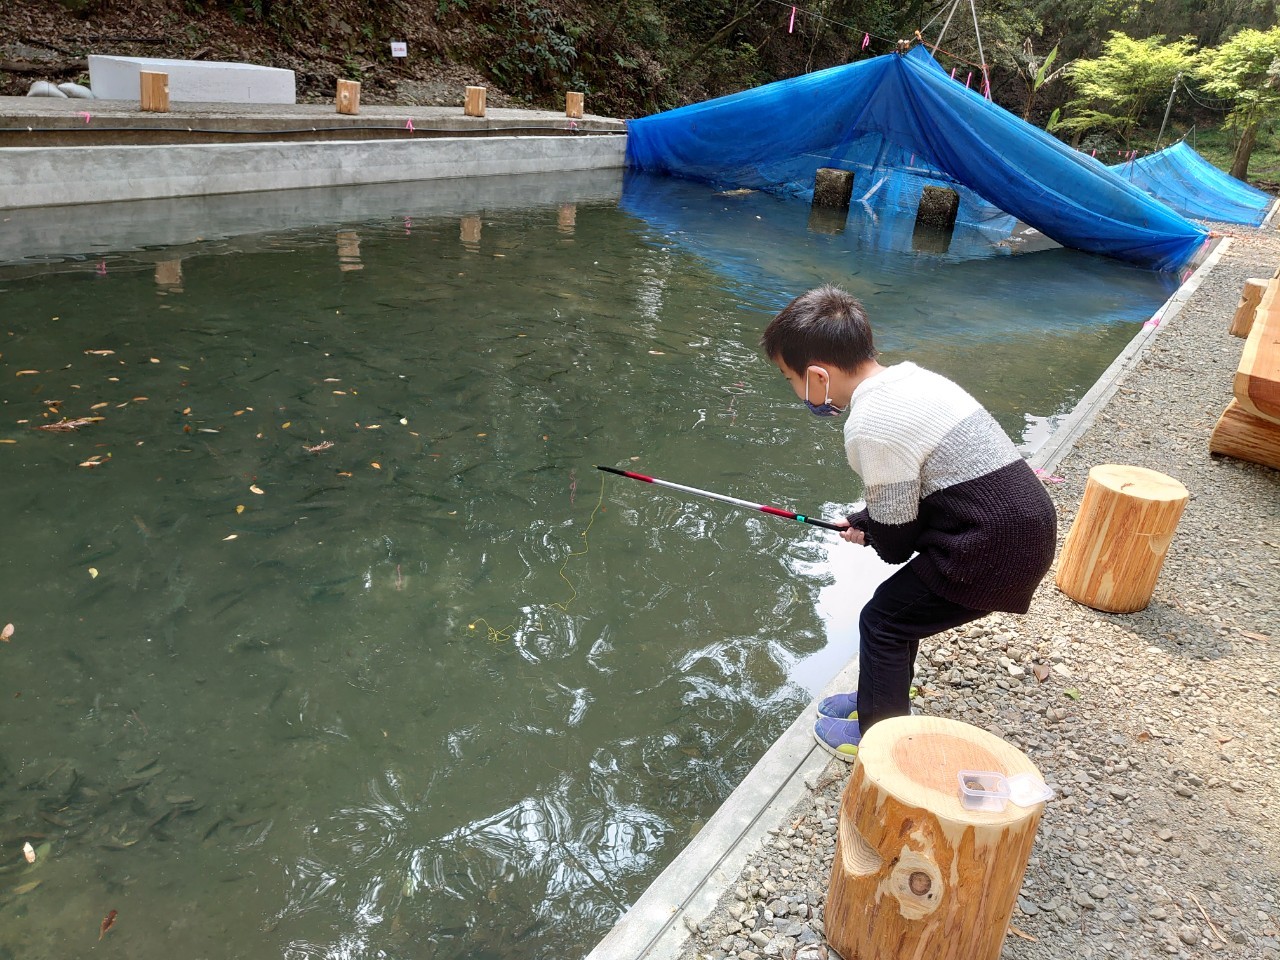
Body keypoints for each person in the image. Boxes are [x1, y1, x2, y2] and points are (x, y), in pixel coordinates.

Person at [760, 285, 1057, 759]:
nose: (795, 390)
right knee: (900, 613)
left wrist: (873, 531)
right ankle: (876, 699)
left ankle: (879, 739)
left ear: (817, 375)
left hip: (992, 549)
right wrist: (867, 521)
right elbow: (917, 495)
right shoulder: (910, 380)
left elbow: (897, 542)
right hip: (1021, 525)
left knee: (884, 621)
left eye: (788, 378)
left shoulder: (869, 425)